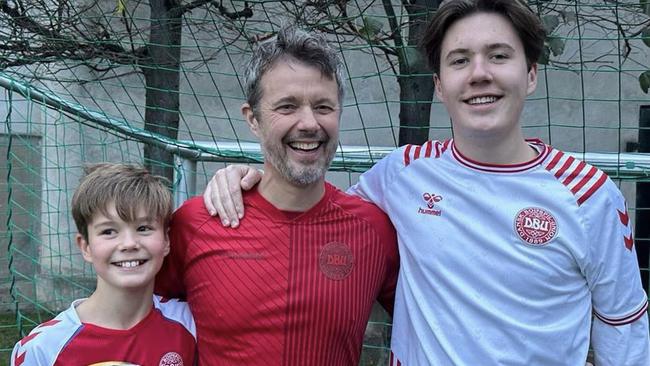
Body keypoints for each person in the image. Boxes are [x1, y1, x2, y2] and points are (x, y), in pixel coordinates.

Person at [203, 1, 650, 365]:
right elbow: (313, 202)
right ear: (440, 85)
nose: (479, 73)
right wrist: (253, 179)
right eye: (460, 60)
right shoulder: (402, 173)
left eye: (498, 55)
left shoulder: (589, 194)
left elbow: (623, 327)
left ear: (530, 74)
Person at [154, 26, 399, 366]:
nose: (309, 123)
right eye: (287, 107)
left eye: (324, 106)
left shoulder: (374, 231)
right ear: (253, 119)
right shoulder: (195, 223)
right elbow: (132, 315)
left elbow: (432, 323)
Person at [10, 163, 197, 366]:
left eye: (143, 228)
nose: (129, 244)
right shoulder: (43, 348)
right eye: (109, 231)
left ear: (167, 241)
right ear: (86, 247)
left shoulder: (192, 324)